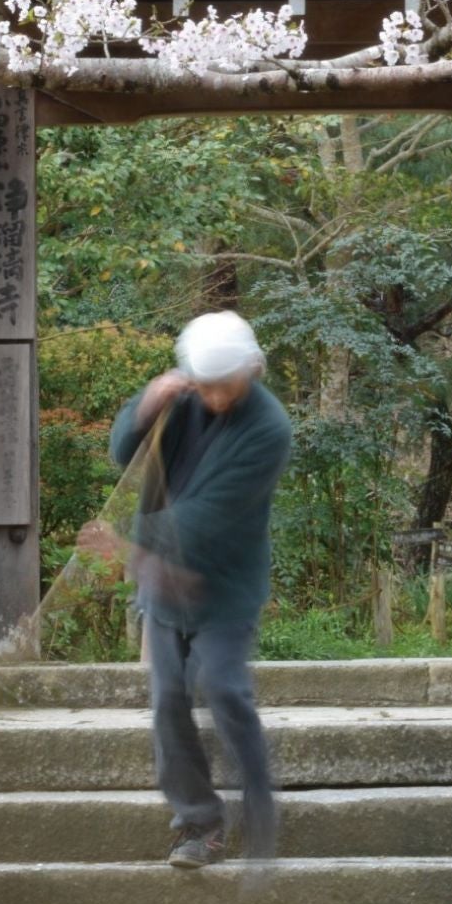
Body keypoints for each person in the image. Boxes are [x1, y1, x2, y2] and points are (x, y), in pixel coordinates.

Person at [105, 311, 292, 869]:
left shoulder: (268, 428)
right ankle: (199, 825)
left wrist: (124, 544)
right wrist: (145, 405)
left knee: (224, 688)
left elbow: (208, 516)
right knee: (167, 704)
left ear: (252, 370)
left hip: (226, 588)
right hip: (165, 589)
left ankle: (260, 812)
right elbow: (123, 453)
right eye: (202, 384)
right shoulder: (182, 399)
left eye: (223, 384)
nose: (212, 396)